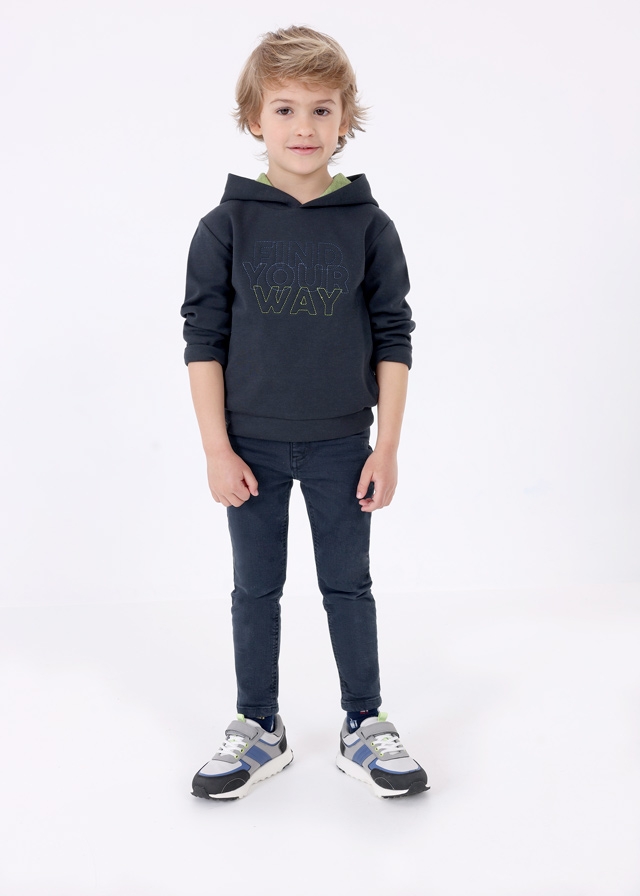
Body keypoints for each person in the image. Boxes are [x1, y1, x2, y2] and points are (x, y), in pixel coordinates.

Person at [180, 25, 429, 800]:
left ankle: (364, 722)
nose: (303, 127)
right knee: (255, 590)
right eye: (284, 109)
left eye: (322, 110)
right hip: (249, 446)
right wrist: (216, 449)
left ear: (345, 119)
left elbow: (394, 336)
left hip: (341, 446)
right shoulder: (224, 226)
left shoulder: (369, 225)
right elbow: (203, 342)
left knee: (347, 586)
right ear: (253, 118)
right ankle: (259, 725)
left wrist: (387, 446)